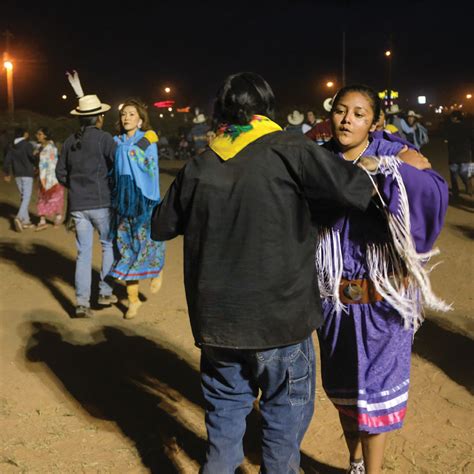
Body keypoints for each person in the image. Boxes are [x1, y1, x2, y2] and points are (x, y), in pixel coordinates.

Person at [151, 72, 378, 474]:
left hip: (217, 325)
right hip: (280, 322)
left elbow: (161, 225)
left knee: (223, 424)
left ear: (221, 111)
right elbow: (352, 190)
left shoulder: (201, 164)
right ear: (267, 108)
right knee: (282, 427)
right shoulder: (289, 148)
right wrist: (375, 166)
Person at [315, 84, 450, 474]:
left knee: (375, 396)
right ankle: (354, 461)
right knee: (344, 395)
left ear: (374, 122)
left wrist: (389, 168)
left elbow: (431, 188)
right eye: (341, 110)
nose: (347, 119)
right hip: (335, 301)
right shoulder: (318, 159)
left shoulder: (394, 154)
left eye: (358, 113)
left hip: (384, 302)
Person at [56, 91, 117, 318]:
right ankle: (105, 291)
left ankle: (81, 303)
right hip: (101, 203)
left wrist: (75, 185)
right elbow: (119, 164)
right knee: (108, 246)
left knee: (83, 253)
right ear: (99, 117)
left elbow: (60, 173)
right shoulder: (104, 138)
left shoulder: (70, 141)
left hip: (78, 205)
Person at [108, 98, 165, 319]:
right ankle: (133, 301)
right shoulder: (115, 141)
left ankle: (156, 269)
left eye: (132, 114)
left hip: (142, 198)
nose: (126, 117)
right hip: (122, 201)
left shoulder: (147, 140)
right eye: (124, 114)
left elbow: (150, 168)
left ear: (141, 121)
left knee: (148, 239)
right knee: (126, 247)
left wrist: (133, 150)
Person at [2, 127, 36, 232]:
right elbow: (32, 158)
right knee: (26, 197)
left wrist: (7, 173)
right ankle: (19, 217)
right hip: (27, 174)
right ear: (24, 134)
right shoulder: (27, 145)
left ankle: (26, 221)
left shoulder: (12, 146)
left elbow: (6, 162)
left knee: (23, 197)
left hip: (17, 175)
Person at [34, 127, 65, 231]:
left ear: (45, 136)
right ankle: (42, 220)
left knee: (54, 197)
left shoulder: (51, 148)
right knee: (43, 198)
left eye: (40, 134)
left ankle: (58, 217)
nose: (37, 136)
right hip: (45, 177)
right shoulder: (41, 147)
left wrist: (47, 178)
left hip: (52, 178)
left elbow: (51, 164)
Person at [443, 110, 473, 197]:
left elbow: (445, 139)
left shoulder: (449, 127)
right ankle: (468, 185)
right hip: (465, 153)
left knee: (454, 174)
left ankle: (456, 192)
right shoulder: (467, 127)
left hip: (454, 154)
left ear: (455, 118)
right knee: (464, 172)